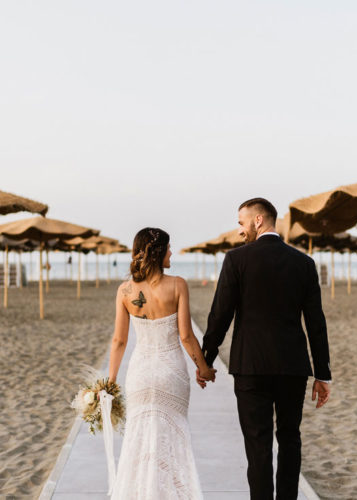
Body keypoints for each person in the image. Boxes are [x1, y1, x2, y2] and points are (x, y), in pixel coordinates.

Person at [199, 198, 332, 500]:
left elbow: (220, 315)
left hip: (250, 367)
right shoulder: (304, 263)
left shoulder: (236, 260)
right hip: (292, 367)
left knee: (257, 445)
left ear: (258, 220)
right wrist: (323, 374)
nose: (239, 230)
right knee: (289, 439)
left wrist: (206, 359)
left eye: (241, 222)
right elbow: (316, 323)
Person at [107, 227, 216, 500]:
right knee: (174, 440)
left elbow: (119, 341)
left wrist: (109, 381)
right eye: (168, 248)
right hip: (171, 373)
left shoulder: (125, 291)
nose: (171, 252)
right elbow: (186, 336)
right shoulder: (178, 285)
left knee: (138, 440)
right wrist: (204, 369)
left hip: (140, 373)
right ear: (157, 252)